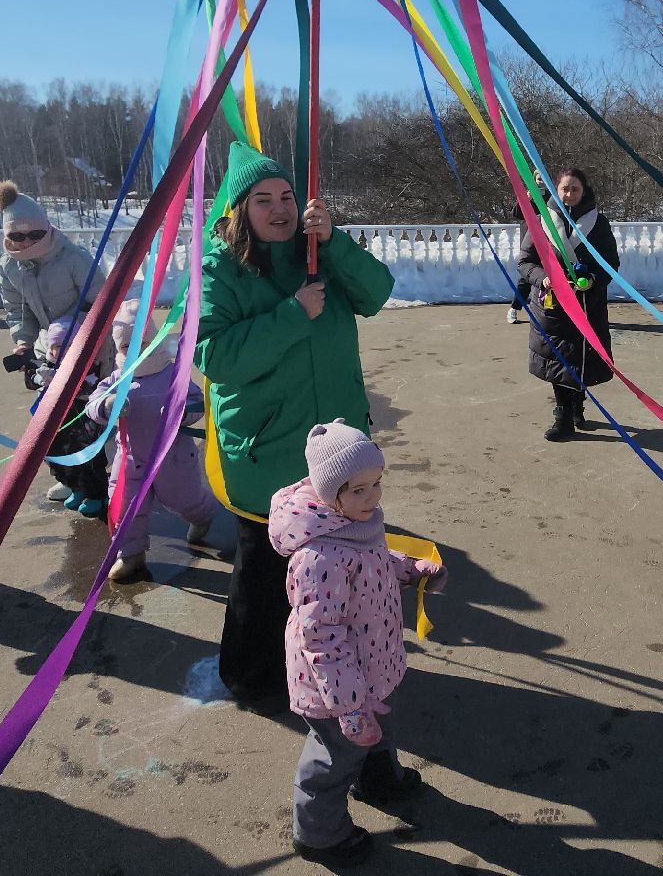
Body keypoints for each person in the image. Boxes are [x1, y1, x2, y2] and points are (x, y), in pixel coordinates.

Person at [197, 141, 395, 712]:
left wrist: (333, 242)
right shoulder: (221, 268)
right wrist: (289, 315)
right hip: (266, 448)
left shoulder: (319, 252)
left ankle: (327, 661)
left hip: (331, 450)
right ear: (239, 211)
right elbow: (212, 355)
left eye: (287, 195)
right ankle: (251, 675)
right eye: (263, 199)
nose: (280, 208)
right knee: (263, 570)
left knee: (332, 572)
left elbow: (378, 294)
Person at [272, 420, 445, 867]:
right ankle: (319, 834)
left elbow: (377, 558)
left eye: (377, 484)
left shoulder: (356, 523)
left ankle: (379, 780)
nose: (372, 497)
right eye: (358, 490)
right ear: (331, 495)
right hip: (335, 690)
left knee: (379, 729)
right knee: (333, 759)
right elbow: (323, 638)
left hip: (373, 666)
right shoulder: (320, 556)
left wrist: (410, 570)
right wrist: (349, 706)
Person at [0, 179, 107, 503]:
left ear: (47, 228)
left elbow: (103, 300)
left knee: (85, 419)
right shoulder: (9, 266)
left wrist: (72, 331)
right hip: (50, 352)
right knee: (49, 419)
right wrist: (24, 344)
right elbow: (17, 310)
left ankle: (93, 481)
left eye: (35, 233)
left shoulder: (72, 257)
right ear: (6, 235)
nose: (27, 241)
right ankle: (69, 477)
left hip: (89, 346)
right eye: (17, 235)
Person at [89, 301, 221, 583]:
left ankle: (203, 516)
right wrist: (108, 405)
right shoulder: (116, 378)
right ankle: (131, 555)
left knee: (185, 500)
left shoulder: (173, 373)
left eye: (143, 342)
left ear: (154, 340)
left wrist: (182, 413)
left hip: (173, 460)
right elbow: (93, 403)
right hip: (130, 460)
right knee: (123, 507)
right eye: (127, 346)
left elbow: (198, 401)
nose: (135, 350)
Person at [517, 167, 620, 441]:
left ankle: (577, 405)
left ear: (584, 190)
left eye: (575, 188)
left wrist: (593, 280)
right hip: (551, 306)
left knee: (581, 358)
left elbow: (610, 263)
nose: (570, 194)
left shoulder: (598, 223)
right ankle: (562, 415)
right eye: (565, 188)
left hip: (588, 304)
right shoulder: (542, 221)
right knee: (558, 359)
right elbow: (525, 262)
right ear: (556, 190)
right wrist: (544, 279)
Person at [35, 315, 112, 519]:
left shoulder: (89, 366)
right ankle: (76, 488)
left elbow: (91, 389)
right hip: (61, 428)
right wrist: (39, 378)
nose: (62, 350)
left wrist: (65, 383)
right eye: (57, 345)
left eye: (68, 344)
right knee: (60, 458)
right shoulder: (49, 366)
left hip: (84, 425)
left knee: (89, 461)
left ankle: (97, 496)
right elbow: (34, 383)